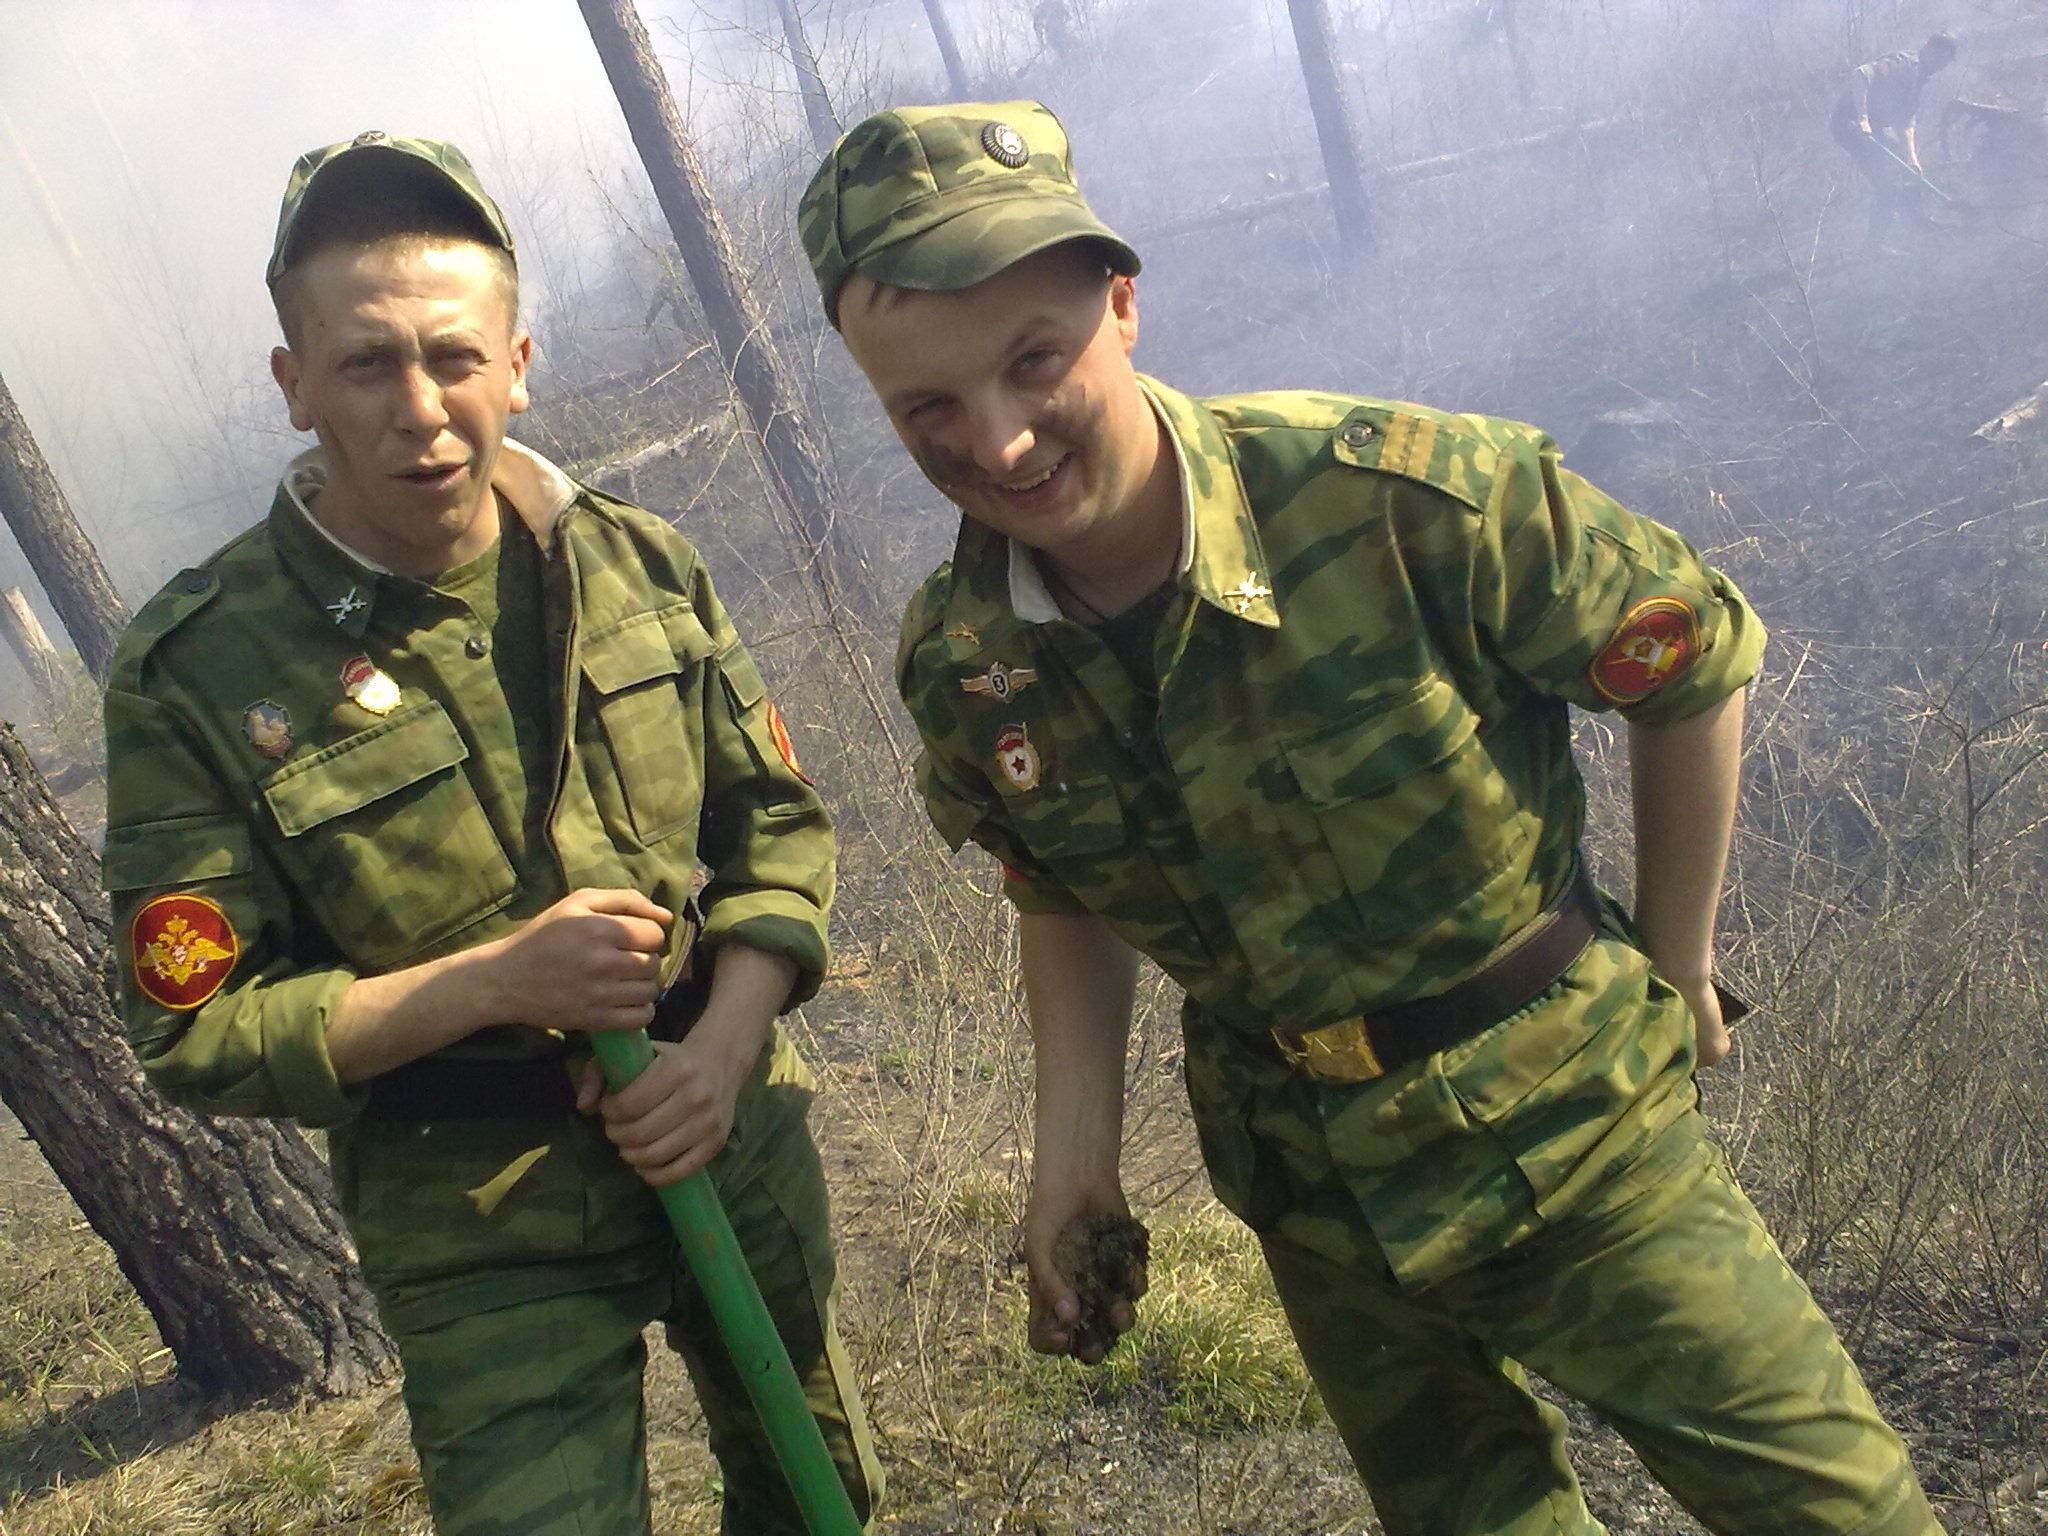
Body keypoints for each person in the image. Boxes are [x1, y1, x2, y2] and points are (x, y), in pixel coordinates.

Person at [798, 100, 1945, 1535]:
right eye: (928, 410)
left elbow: (1688, 658)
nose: (1001, 440)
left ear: (1121, 304)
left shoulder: (1395, 500)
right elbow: (1060, 886)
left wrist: (1680, 961)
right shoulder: (968, 658)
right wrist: (1073, 1159)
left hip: (1579, 1142)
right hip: (1315, 1198)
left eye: (1034, 361)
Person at [102, 132, 880, 1535]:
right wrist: (490, 984)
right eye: (365, 364)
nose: (421, 409)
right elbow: (197, 1029)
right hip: (478, 1217)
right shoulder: (198, 677)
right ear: (294, 385)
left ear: (515, 364)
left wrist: (722, 1047)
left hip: (725, 1126)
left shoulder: (639, 562)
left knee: (819, 1495)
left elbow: (777, 827)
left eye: (454, 357)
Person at [1831, 31, 1958, 251]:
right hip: (1849, 126)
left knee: (1909, 169)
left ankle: (1919, 220)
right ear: (1930, 50)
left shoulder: (1919, 79)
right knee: (1887, 184)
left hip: (1874, 129)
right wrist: (1863, 119)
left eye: (1945, 63)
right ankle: (1872, 248)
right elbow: (1860, 75)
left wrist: (1912, 159)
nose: (1941, 67)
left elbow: (1906, 124)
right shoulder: (1903, 64)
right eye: (1941, 60)